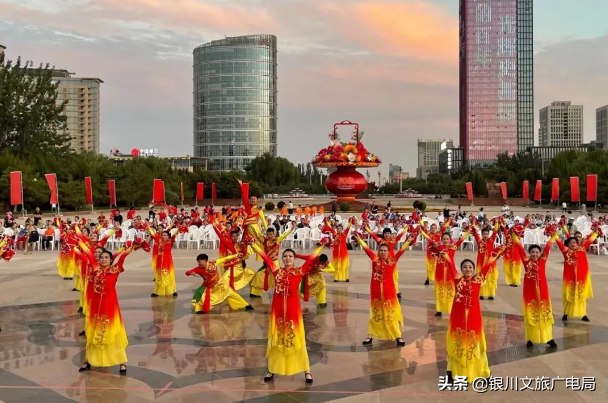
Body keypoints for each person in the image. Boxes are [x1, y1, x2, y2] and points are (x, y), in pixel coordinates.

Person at [253, 244, 324, 384]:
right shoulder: (276, 271)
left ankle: (307, 370)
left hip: (293, 312)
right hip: (278, 312)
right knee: (276, 339)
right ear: (282, 259)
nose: (287, 258)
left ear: (294, 258)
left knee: (297, 339)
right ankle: (272, 368)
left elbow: (311, 259)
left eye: (290, 256)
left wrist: (321, 246)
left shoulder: (299, 271)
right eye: (285, 256)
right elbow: (265, 258)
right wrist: (253, 245)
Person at [444, 249, 504, 384]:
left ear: (473, 269)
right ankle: (452, 371)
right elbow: (449, 263)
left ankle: (484, 372)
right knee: (456, 343)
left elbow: (487, 266)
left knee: (476, 344)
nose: (468, 269)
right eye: (465, 267)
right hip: (458, 316)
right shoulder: (457, 279)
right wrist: (444, 253)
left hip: (474, 316)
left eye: (470, 267)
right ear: (461, 269)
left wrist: (496, 254)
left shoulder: (478, 279)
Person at [78, 246, 133, 375]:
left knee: (114, 333)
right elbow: (88, 253)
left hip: (110, 306)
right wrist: (78, 243)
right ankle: (88, 360)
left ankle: (122, 362)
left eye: (106, 258)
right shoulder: (95, 269)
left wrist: (129, 248)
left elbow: (122, 258)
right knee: (93, 333)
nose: (103, 259)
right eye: (102, 257)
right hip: (96, 307)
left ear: (111, 260)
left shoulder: (115, 270)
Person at [355, 233, 415, 346]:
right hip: (376, 292)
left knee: (391, 314)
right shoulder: (374, 260)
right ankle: (370, 335)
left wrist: (408, 241)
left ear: (388, 252)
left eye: (385, 251)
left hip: (389, 293)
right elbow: (367, 249)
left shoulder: (392, 261)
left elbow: (401, 251)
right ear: (379, 251)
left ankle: (398, 336)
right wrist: (360, 240)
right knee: (375, 314)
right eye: (381, 250)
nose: (382, 252)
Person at [512, 232, 558, 348]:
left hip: (543, 292)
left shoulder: (543, 260)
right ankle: (530, 338)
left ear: (540, 253)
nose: (535, 254)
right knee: (530, 314)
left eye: (537, 252)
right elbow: (520, 248)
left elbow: (547, 248)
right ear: (529, 253)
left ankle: (548, 338)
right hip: (529, 293)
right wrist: (514, 235)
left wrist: (554, 236)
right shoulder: (526, 262)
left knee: (545, 314)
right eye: (532, 252)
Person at [423, 228, 470, 317]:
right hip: (440, 272)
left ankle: (451, 308)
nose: (445, 240)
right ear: (441, 240)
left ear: (450, 239)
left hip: (450, 272)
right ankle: (439, 309)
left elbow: (461, 240)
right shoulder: (439, 247)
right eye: (444, 239)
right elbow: (430, 239)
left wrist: (468, 233)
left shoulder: (453, 247)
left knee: (450, 291)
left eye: (447, 239)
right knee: (439, 291)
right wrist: (422, 232)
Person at [186, 253, 254, 314]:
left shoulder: (214, 263)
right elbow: (187, 272)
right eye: (198, 262)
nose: (198, 263)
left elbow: (225, 259)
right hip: (209, 286)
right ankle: (199, 310)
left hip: (220, 284)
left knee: (231, 294)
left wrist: (236, 255)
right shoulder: (198, 269)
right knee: (199, 293)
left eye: (199, 261)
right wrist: (190, 273)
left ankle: (246, 305)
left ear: (204, 260)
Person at [556, 230, 599, 322]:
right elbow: (558, 242)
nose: (572, 244)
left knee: (581, 297)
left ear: (577, 243)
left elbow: (590, 240)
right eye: (570, 242)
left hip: (581, 278)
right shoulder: (566, 251)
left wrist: (596, 232)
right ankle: (565, 313)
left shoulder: (582, 248)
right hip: (569, 278)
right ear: (567, 244)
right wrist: (553, 235)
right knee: (568, 296)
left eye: (574, 242)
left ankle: (583, 314)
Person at [250, 224, 295, 297]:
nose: (270, 236)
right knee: (259, 275)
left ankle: (285, 291)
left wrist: (291, 229)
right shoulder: (265, 241)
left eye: (271, 234)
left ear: (274, 234)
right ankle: (255, 293)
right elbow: (257, 236)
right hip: (267, 263)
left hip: (274, 263)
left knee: (279, 278)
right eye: (268, 234)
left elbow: (284, 235)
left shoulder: (277, 240)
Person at [364, 226, 407, 298]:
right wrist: (368, 229)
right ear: (383, 234)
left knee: (393, 278)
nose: (387, 235)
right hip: (380, 262)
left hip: (391, 263)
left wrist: (406, 229)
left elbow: (400, 236)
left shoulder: (393, 241)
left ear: (390, 234)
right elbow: (373, 235)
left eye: (388, 233)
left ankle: (396, 291)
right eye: (385, 233)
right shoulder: (380, 241)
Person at [471, 221, 499, 300]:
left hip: (490, 263)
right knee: (481, 277)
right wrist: (473, 224)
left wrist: (496, 223)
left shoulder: (491, 240)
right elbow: (475, 233)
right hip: (481, 263)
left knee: (490, 278)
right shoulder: (479, 242)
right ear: (482, 234)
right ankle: (482, 294)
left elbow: (495, 232)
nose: (485, 235)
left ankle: (491, 294)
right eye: (484, 234)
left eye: (487, 234)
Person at [148, 228, 178, 297]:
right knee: (159, 277)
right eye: (162, 235)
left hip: (167, 262)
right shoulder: (159, 241)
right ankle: (156, 291)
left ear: (168, 236)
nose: (164, 236)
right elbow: (154, 235)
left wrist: (178, 229)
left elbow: (174, 235)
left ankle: (173, 291)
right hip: (159, 262)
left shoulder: (170, 241)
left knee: (169, 277)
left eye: (165, 235)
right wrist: (149, 228)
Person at [238, 180, 267, 252]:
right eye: (251, 199)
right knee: (246, 242)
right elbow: (244, 196)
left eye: (254, 199)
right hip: (248, 228)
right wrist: (241, 186)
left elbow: (263, 220)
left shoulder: (259, 210)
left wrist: (267, 230)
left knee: (261, 241)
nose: (253, 200)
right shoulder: (248, 207)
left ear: (257, 201)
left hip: (256, 228)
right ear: (249, 200)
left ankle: (263, 256)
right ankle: (244, 257)